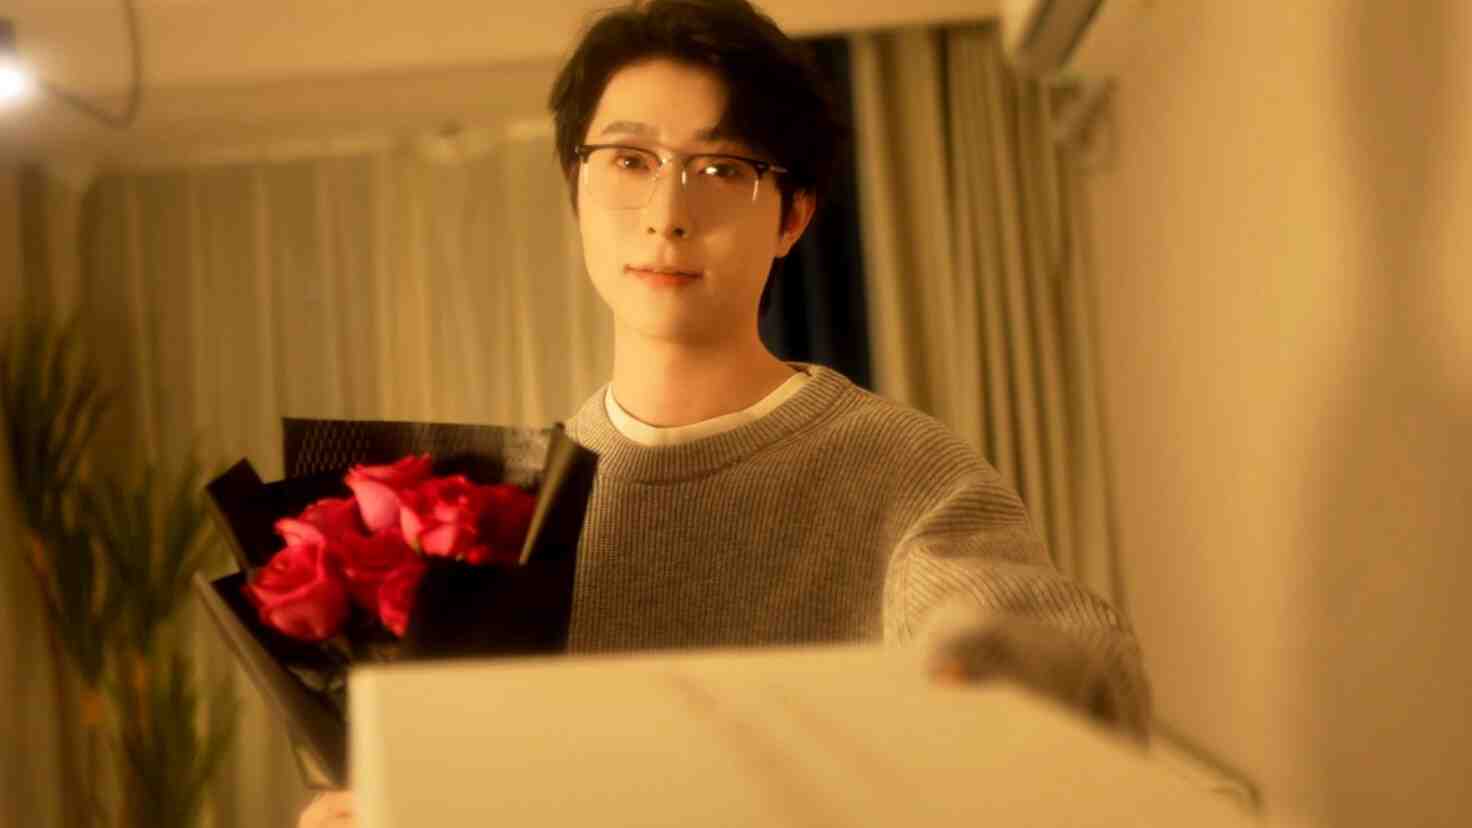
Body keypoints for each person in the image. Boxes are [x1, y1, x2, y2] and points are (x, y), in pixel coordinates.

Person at [301, 0, 1150, 824]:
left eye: (722, 169)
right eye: (629, 160)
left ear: (793, 217)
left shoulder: (900, 470)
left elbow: (1080, 671)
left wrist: (985, 670)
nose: (667, 216)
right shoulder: (503, 512)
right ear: (576, 186)